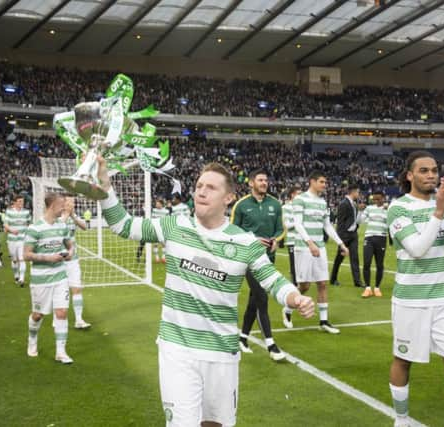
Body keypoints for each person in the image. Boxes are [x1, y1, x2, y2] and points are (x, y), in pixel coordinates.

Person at [95, 156, 315, 426]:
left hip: (222, 353)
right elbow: (123, 225)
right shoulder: (175, 226)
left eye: (211, 187)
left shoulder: (244, 242)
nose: (201, 191)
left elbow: (273, 279)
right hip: (178, 350)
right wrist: (104, 183)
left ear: (229, 198)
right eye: (199, 185)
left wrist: (296, 297)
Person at [387, 151, 444, 427]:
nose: (431, 175)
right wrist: (438, 211)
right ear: (410, 176)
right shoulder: (398, 208)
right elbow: (416, 249)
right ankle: (401, 419)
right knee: (403, 360)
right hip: (410, 302)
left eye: (435, 170)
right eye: (424, 171)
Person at [230, 168, 285, 361]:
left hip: (268, 259)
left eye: (266, 180)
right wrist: (252, 240)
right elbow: (232, 230)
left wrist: (277, 239)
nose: (264, 183)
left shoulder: (275, 204)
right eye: (260, 180)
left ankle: (242, 338)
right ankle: (271, 344)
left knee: (254, 299)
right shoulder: (241, 205)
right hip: (248, 259)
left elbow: (281, 229)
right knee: (262, 297)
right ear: (251, 183)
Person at [291, 171, 348, 333]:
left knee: (322, 283)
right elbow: (298, 224)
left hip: (320, 247)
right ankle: (288, 308)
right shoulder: (300, 199)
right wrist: (310, 243)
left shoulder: (323, 202)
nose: (325, 185)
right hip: (303, 247)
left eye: (325, 182)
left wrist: (341, 244)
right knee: (305, 286)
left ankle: (323, 321)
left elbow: (327, 226)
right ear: (312, 181)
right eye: (322, 182)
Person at [23, 193, 74, 364]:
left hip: (60, 276)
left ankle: (61, 351)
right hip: (41, 279)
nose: (64, 208)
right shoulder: (35, 228)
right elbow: (26, 255)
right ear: (52, 206)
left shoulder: (62, 226)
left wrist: (69, 254)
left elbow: (70, 245)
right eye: (62, 205)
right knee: (38, 315)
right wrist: (48, 258)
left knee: (62, 312)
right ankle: (32, 341)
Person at [61, 196, 91, 329]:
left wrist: (73, 216)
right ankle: (58, 318)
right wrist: (67, 215)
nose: (73, 203)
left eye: (74, 201)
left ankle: (79, 320)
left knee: (77, 288)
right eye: (70, 201)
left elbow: (85, 227)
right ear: (63, 203)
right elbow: (56, 229)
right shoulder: (57, 217)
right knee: (60, 291)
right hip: (57, 261)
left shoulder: (73, 217)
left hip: (73, 259)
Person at [330, 184, 363, 287]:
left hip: (353, 234)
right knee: (339, 258)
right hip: (344, 235)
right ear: (352, 192)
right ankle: (333, 278)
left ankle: (357, 282)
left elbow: (354, 219)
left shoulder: (354, 204)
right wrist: (341, 239)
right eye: (357, 192)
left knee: (355, 258)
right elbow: (340, 223)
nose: (358, 194)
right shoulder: (343, 204)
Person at [360, 191, 389, 298]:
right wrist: (360, 211)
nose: (376, 201)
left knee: (379, 264)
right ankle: (367, 288)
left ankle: (377, 288)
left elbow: (389, 225)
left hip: (381, 237)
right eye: (374, 199)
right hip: (369, 237)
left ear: (383, 198)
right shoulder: (369, 208)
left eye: (378, 199)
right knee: (366, 263)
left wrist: (387, 213)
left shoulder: (388, 210)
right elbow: (360, 221)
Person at [281, 184, 302, 328]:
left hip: (304, 244)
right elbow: (287, 225)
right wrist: (299, 222)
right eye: (298, 194)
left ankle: (293, 304)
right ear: (292, 195)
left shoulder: (302, 207)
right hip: (293, 243)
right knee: (296, 279)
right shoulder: (285, 208)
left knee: (304, 280)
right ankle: (288, 311)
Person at [4, 195, 31, 287]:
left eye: (22, 201)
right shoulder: (9, 212)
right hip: (12, 239)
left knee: (22, 259)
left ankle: (21, 279)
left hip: (22, 239)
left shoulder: (26, 212)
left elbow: (28, 224)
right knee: (14, 260)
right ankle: (16, 275)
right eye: (19, 201)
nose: (21, 203)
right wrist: (12, 231)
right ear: (14, 202)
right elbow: (6, 225)